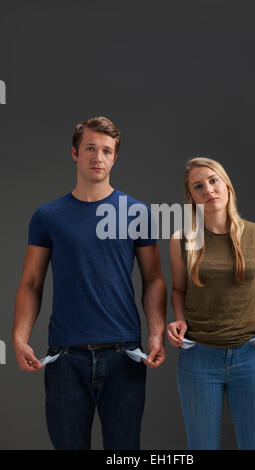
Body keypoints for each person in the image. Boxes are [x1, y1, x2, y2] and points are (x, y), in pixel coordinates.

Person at [13, 116, 167, 450]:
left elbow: (153, 279)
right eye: (90, 148)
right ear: (75, 153)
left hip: (124, 355)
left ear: (115, 158)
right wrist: (20, 337)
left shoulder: (136, 212)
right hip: (65, 359)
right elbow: (31, 282)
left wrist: (156, 333)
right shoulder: (47, 216)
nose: (98, 157)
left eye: (106, 151)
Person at [167, 157, 255, 450]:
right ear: (191, 196)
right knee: (201, 446)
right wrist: (179, 319)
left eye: (213, 180)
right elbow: (178, 289)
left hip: (251, 355)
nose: (208, 190)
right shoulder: (183, 239)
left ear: (227, 185)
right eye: (198, 186)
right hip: (198, 358)